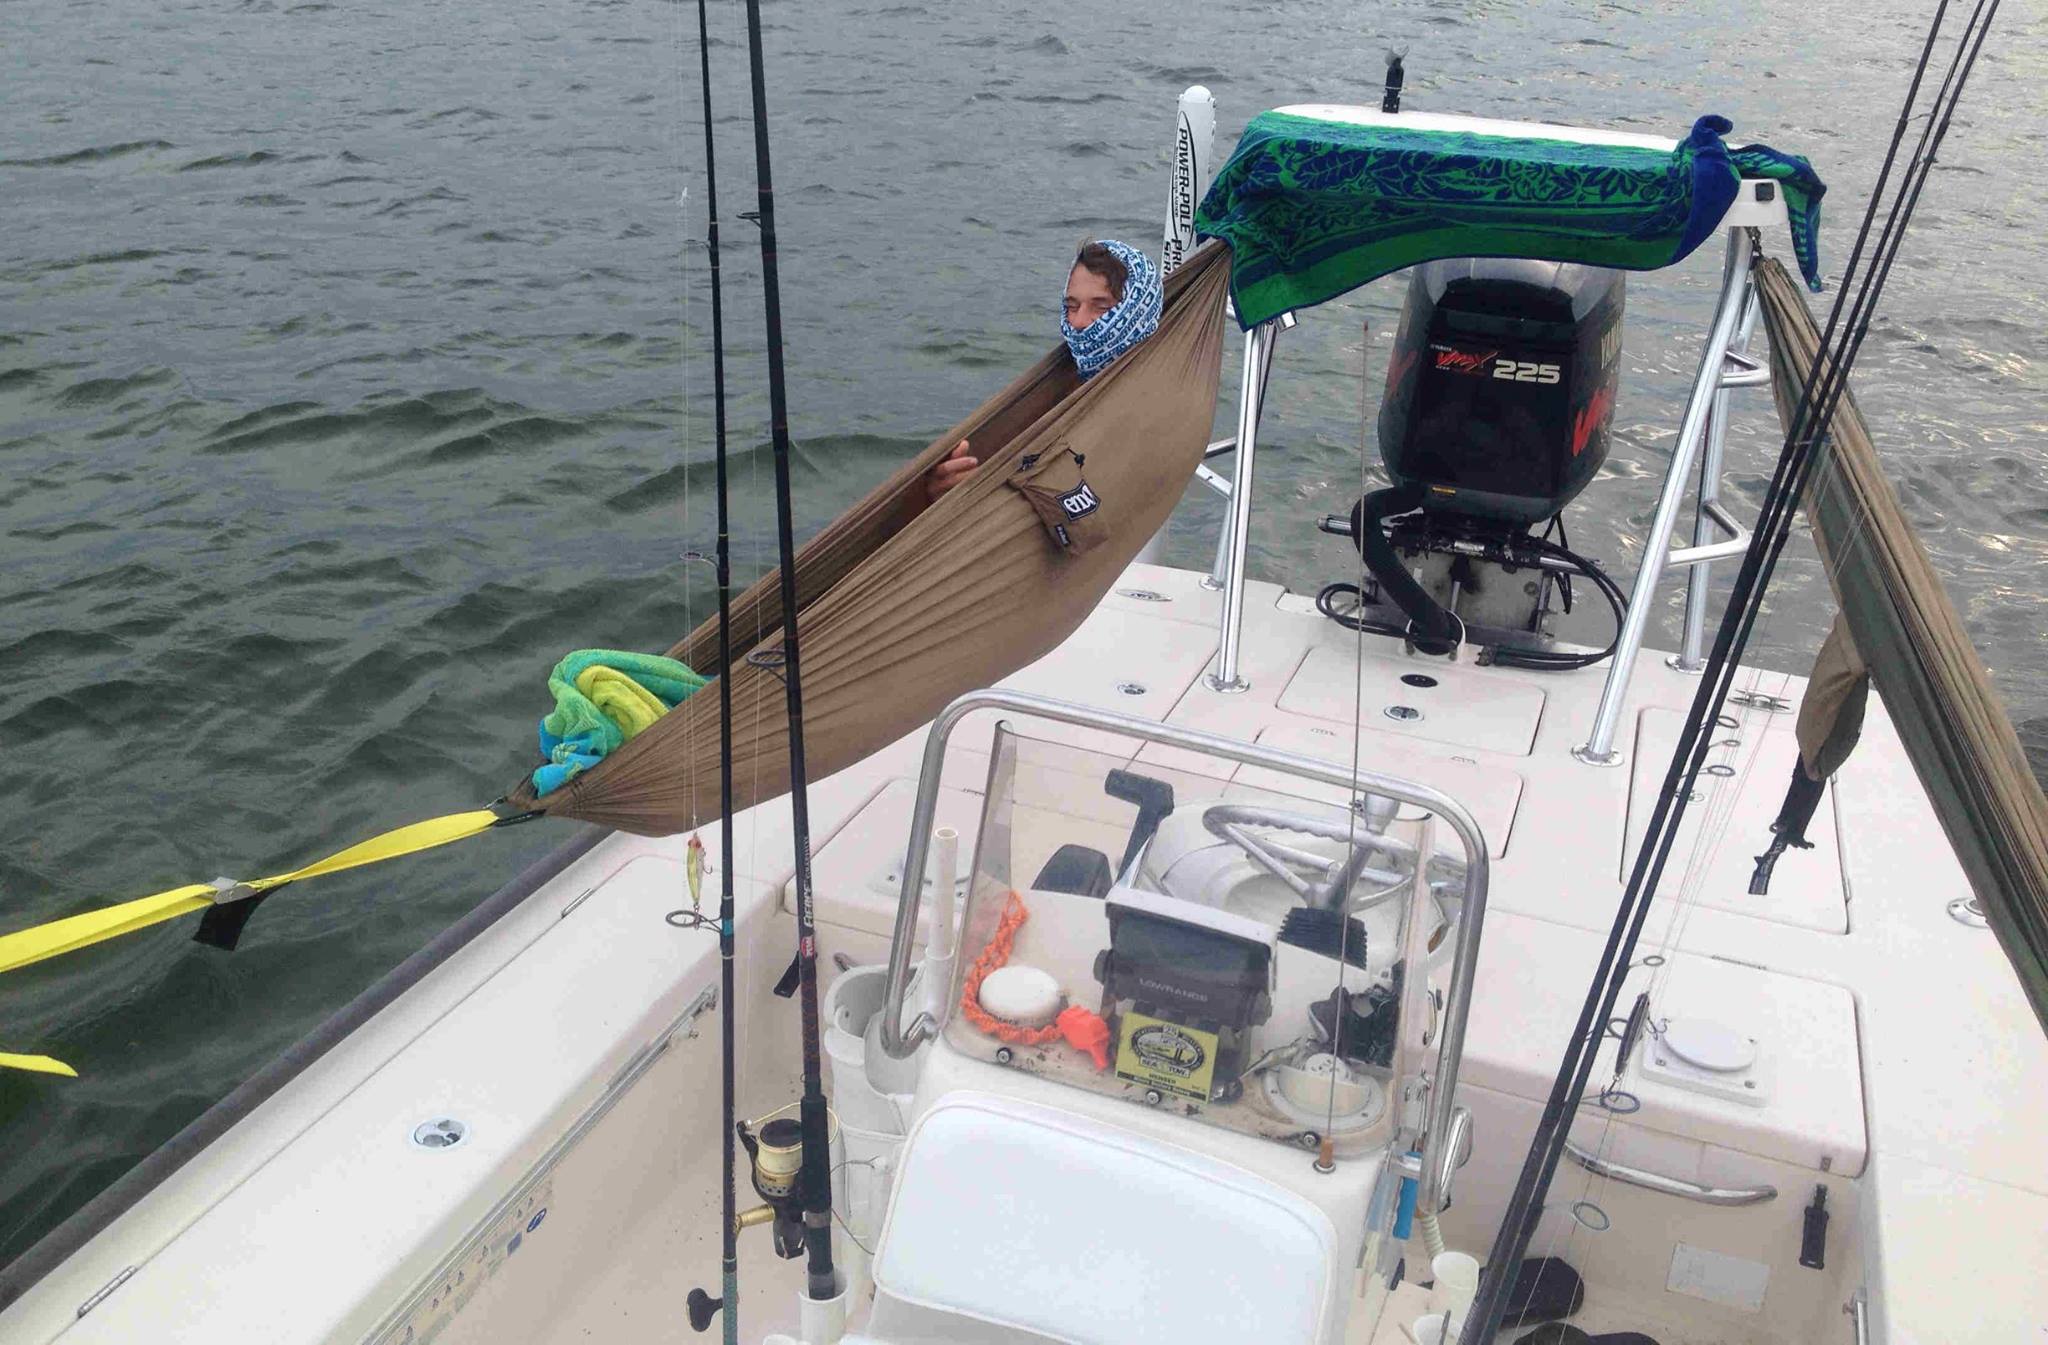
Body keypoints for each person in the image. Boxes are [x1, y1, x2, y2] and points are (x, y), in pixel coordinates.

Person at [924, 239, 1163, 504]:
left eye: (1102, 307)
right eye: (1072, 306)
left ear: (1137, 312)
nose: (1079, 322)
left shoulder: (1150, 406)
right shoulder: (1060, 386)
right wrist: (945, 492)